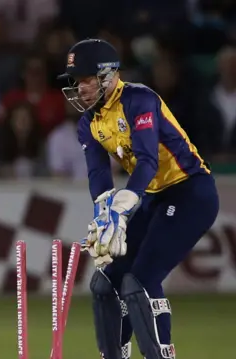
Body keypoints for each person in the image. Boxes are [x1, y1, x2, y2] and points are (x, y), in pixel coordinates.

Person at [58, 39, 219, 359]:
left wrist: (124, 205)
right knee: (104, 284)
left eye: (86, 80)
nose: (81, 89)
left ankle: (159, 354)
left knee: (139, 283)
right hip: (153, 198)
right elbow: (98, 176)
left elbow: (147, 160)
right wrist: (104, 212)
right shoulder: (88, 123)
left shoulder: (139, 100)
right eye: (77, 83)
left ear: (107, 76)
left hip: (190, 191)